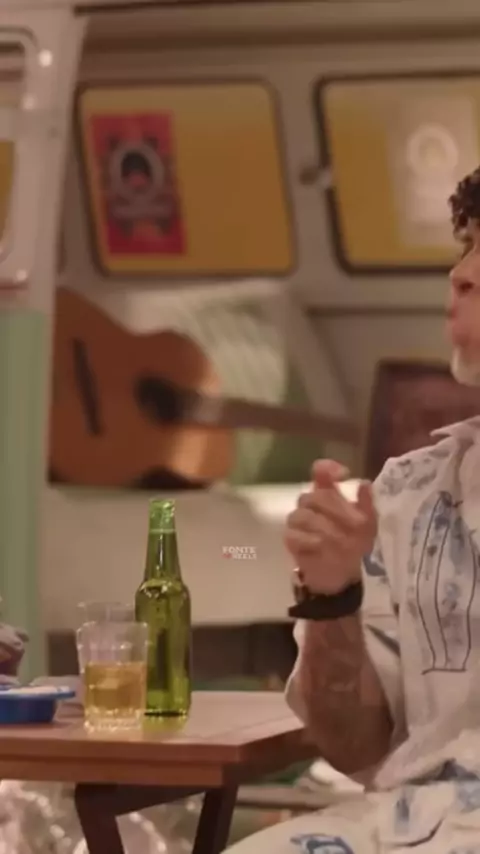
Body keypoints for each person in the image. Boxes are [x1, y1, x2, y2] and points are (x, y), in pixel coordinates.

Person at [225, 166, 480, 854]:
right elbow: (353, 746)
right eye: (466, 248)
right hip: (415, 826)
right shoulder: (406, 494)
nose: (461, 274)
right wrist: (331, 598)